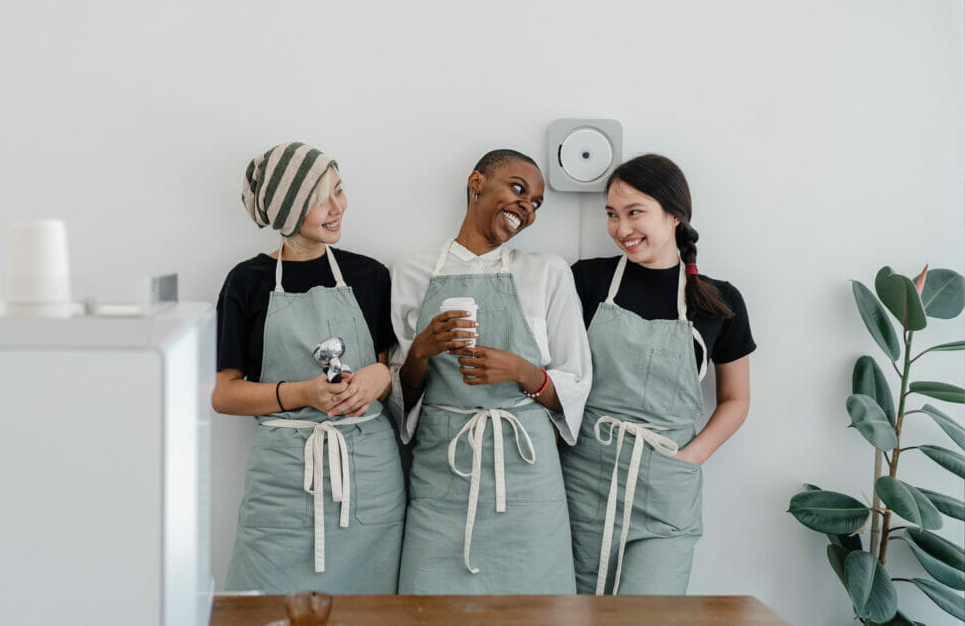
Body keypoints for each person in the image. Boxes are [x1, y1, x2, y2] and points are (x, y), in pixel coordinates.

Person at [389, 149, 592, 594]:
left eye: (536, 203)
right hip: (443, 473)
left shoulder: (548, 272)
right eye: (518, 189)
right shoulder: (411, 271)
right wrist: (422, 349)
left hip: (527, 476)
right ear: (476, 183)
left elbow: (576, 384)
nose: (527, 207)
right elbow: (402, 397)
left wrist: (525, 372)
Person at [213, 142, 405, 594]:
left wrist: (381, 379)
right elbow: (224, 393)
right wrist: (303, 393)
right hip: (282, 484)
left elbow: (392, 366)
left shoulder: (370, 275)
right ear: (287, 211)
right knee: (261, 609)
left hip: (368, 480)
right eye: (322, 200)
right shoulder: (247, 282)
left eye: (340, 190)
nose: (338, 207)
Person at [562, 153, 755, 596]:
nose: (621, 229)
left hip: (665, 488)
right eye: (612, 215)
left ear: (674, 216)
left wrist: (689, 459)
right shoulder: (585, 280)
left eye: (634, 213)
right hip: (582, 481)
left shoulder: (719, 302)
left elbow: (736, 400)